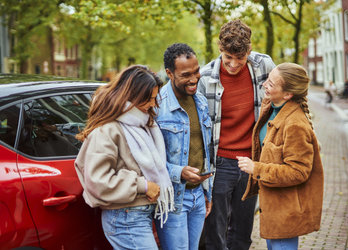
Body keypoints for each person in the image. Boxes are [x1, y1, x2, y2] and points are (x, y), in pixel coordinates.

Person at [74, 65, 174, 250]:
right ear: (134, 96)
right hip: (125, 218)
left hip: (136, 215)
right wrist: (143, 185)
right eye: (149, 99)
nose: (153, 104)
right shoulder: (107, 130)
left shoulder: (141, 124)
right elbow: (98, 181)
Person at [198, 19, 275, 250]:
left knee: (242, 231)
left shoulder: (265, 66)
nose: (233, 65)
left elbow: (284, 99)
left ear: (249, 51)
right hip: (219, 163)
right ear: (220, 49)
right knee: (215, 231)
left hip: (251, 161)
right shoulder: (205, 78)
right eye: (227, 58)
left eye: (239, 59)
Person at [237, 62, 324, 250]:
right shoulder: (271, 107)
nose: (264, 86)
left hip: (285, 210)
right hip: (273, 206)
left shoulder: (295, 124)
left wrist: (256, 168)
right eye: (267, 80)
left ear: (287, 94)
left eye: (271, 84)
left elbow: (298, 172)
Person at [155, 43, 213, 250]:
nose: (194, 79)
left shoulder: (200, 101)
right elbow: (149, 160)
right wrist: (179, 172)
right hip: (173, 199)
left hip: (198, 194)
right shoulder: (157, 106)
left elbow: (204, 150)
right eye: (186, 74)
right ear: (169, 73)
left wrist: (207, 193)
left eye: (197, 71)